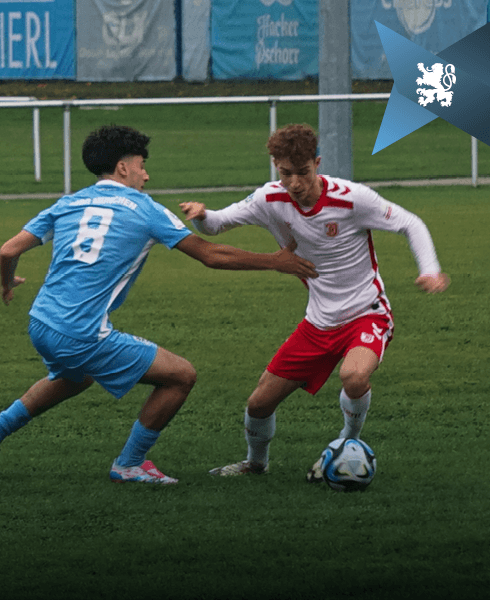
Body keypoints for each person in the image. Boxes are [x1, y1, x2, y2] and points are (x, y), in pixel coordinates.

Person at [0, 125, 318, 486]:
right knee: (180, 376)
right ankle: (130, 463)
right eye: (142, 165)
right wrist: (274, 261)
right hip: (80, 331)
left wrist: (8, 283)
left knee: (73, 378)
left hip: (40, 321)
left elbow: (8, 250)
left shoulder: (70, 202)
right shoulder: (146, 209)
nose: (146, 174)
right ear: (122, 168)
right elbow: (209, 255)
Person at [180, 123, 450, 480]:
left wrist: (429, 270)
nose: (294, 183)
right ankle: (255, 464)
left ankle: (345, 445)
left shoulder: (352, 198)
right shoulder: (269, 200)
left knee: (353, 377)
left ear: (317, 163)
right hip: (318, 321)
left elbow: (410, 223)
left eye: (303, 172)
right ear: (276, 166)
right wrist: (201, 215)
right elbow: (217, 224)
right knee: (259, 403)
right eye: (285, 173)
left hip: (367, 314)